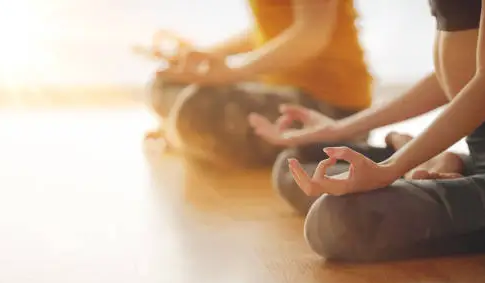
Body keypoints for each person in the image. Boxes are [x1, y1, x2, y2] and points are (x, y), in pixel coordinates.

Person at [251, 0, 485, 262]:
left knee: (337, 221)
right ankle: (444, 163)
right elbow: (450, 76)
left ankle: (432, 165)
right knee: (299, 160)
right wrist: (338, 129)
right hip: (483, 159)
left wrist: (390, 167)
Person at [141, 0, 384, 168]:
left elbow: (311, 33)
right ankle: (186, 136)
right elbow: (267, 32)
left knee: (195, 109)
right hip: (278, 87)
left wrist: (234, 72)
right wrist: (209, 55)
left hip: (332, 108)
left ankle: (183, 135)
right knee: (164, 83)